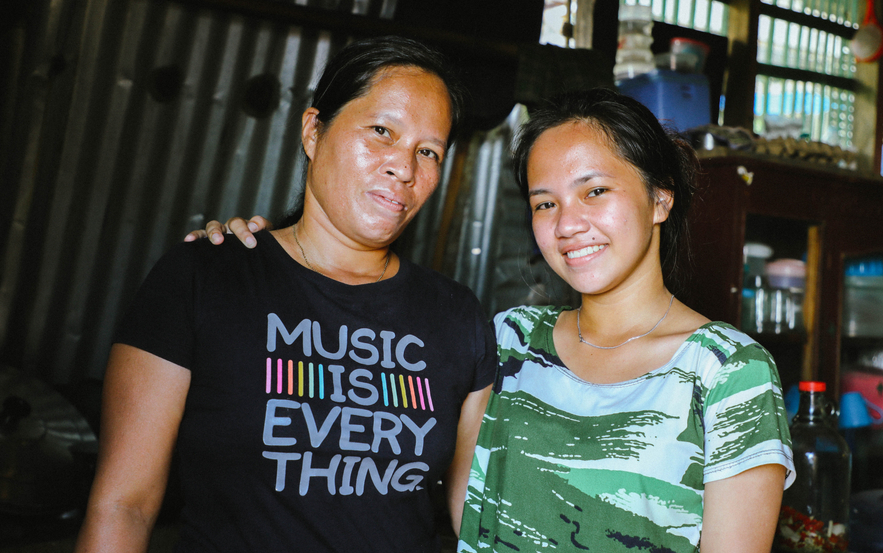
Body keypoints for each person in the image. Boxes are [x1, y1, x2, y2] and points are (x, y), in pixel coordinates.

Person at [199, 88, 795, 552]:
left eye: (594, 192)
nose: (567, 223)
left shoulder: (727, 373)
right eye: (545, 202)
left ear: (659, 199)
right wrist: (265, 254)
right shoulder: (509, 340)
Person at [75, 36, 496, 553]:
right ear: (313, 130)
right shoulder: (206, 278)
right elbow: (123, 507)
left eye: (427, 151)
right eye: (381, 131)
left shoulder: (456, 317)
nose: (404, 168)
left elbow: (476, 519)